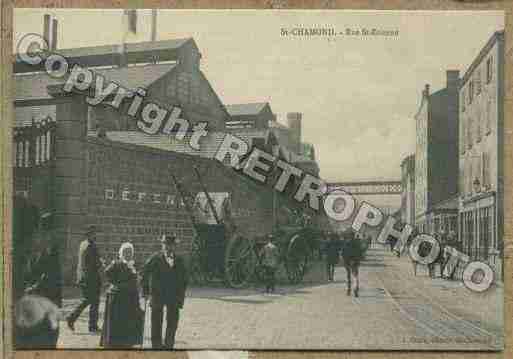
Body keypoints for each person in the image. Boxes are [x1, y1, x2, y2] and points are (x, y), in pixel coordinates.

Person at [142, 234, 187, 349]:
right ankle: (156, 345)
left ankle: (168, 345)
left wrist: (181, 296)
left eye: (170, 245)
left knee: (172, 322)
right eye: (165, 244)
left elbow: (184, 279)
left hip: (173, 295)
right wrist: (146, 291)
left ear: (174, 246)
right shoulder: (155, 258)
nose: (168, 247)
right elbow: (145, 273)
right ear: (162, 245)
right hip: (158, 294)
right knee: (156, 321)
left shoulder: (179, 260)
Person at [100, 242, 144, 348]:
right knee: (118, 320)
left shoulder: (134, 264)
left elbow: (139, 278)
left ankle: (127, 341)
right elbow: (106, 273)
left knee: (129, 320)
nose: (128, 254)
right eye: (125, 252)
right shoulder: (117, 263)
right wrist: (115, 284)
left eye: (130, 252)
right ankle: (115, 342)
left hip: (131, 297)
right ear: (121, 253)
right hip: (119, 297)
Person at [66, 225, 104, 333]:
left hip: (84, 277)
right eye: (94, 233)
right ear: (90, 234)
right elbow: (94, 264)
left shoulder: (83, 244)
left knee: (90, 300)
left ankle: (90, 325)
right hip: (91, 278)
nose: (95, 235)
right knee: (92, 301)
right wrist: (101, 262)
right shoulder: (91, 246)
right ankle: (74, 319)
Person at [25, 212, 63, 307]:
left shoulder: (48, 241)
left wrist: (35, 285)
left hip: (46, 286)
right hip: (47, 286)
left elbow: (47, 267)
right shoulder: (50, 240)